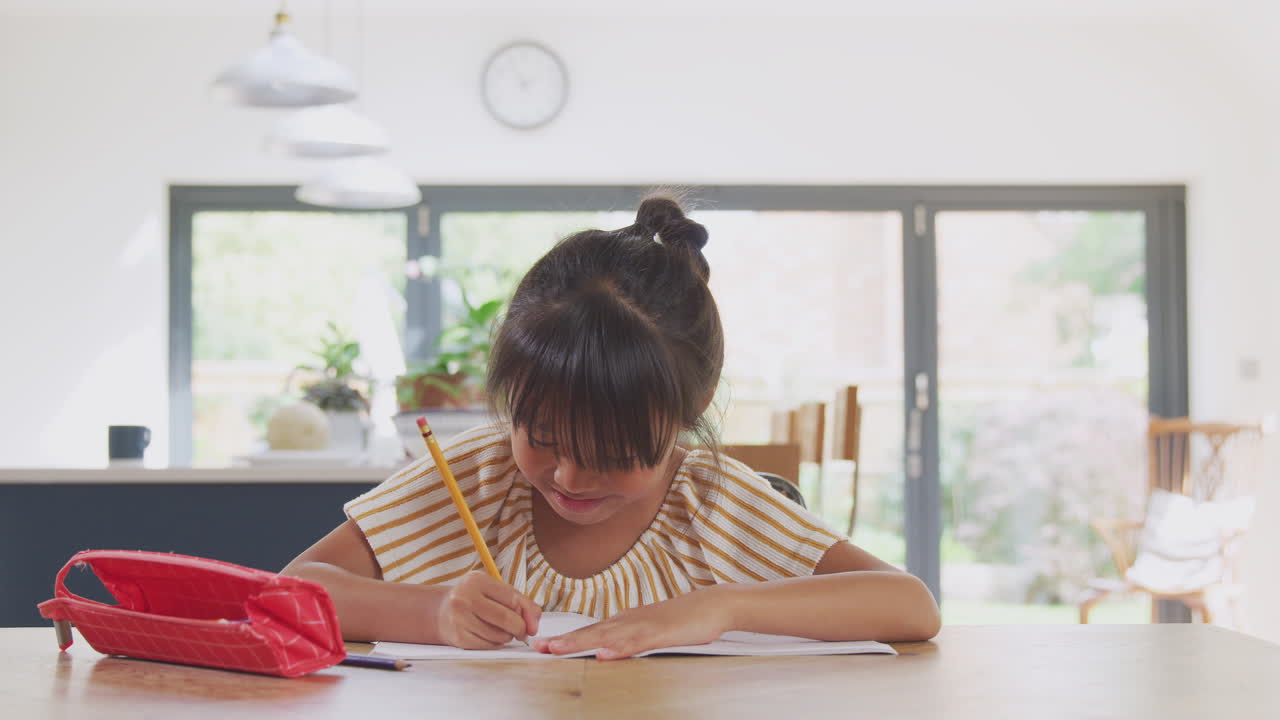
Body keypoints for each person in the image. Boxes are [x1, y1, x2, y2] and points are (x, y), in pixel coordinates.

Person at [282, 195, 940, 659]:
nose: (567, 475)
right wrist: (430, 613)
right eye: (540, 435)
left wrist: (724, 607)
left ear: (691, 407)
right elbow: (292, 590)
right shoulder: (474, 476)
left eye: (613, 452)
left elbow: (909, 604)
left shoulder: (710, 501)